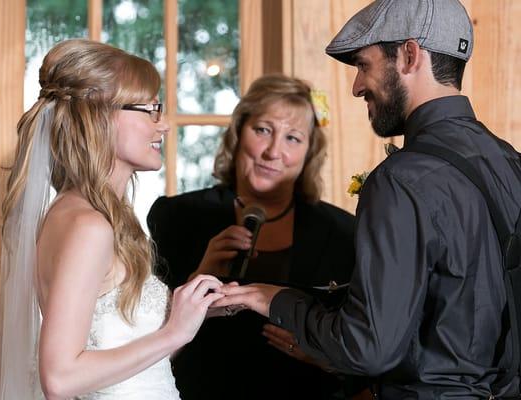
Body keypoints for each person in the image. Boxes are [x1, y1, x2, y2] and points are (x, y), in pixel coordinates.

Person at [215, 0, 521, 398]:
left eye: (364, 64)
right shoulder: (512, 164)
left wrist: (274, 298)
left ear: (410, 55)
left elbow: (368, 347)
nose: (357, 86)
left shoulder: (400, 180)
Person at [0, 39, 225, 400]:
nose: (162, 126)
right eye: (150, 109)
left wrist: (190, 313)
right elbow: (60, 378)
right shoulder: (88, 226)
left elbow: (129, 361)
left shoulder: (84, 214)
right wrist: (174, 332)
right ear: (99, 118)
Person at [147, 74, 367, 399]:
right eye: (263, 130)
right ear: (238, 134)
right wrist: (198, 275)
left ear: (309, 153)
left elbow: (363, 344)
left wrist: (328, 356)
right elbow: (145, 335)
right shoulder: (177, 216)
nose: (273, 152)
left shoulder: (344, 234)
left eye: (293, 138)